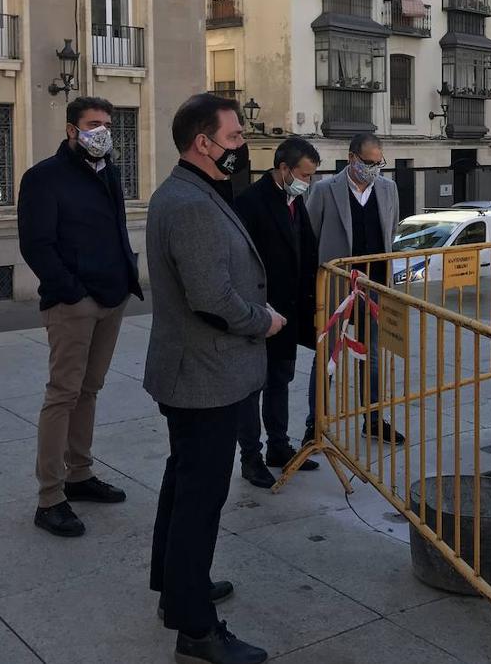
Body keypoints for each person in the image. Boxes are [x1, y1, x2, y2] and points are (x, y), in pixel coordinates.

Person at [144, 93, 280, 664]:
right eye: (233, 137)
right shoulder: (193, 204)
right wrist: (264, 321)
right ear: (203, 143)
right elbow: (210, 297)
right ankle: (196, 630)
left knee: (183, 481)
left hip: (195, 370)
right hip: (204, 374)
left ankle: (177, 590)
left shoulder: (189, 191)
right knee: (201, 496)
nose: (242, 145)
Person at [17, 96, 141, 538]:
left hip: (112, 298)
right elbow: (36, 245)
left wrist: (126, 278)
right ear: (72, 130)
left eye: (108, 123)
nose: (103, 131)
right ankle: (50, 497)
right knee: (62, 395)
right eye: (93, 124)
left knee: (89, 390)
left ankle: (80, 473)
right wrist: (72, 292)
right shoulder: (43, 178)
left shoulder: (108, 171)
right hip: (74, 303)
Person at [302, 133, 405, 446]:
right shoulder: (324, 190)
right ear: (351, 159)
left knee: (371, 357)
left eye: (378, 163)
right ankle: (315, 425)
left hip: (374, 289)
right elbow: (310, 237)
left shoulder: (388, 189)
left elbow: (393, 229)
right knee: (326, 357)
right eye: (368, 163)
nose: (374, 169)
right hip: (335, 289)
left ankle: (372, 420)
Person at [232, 138, 323, 488]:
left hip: (290, 310)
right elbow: (243, 262)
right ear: (284, 169)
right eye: (304, 174)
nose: (308, 182)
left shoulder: (295, 200)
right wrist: (258, 310)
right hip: (260, 312)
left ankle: (279, 447)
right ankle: (250, 457)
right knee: (252, 387)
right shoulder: (252, 202)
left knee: (280, 381)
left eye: (312, 176)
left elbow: (306, 248)